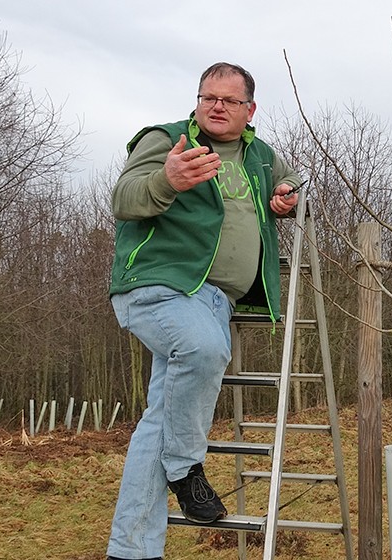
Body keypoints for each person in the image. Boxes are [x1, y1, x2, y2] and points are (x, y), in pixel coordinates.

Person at [105, 62, 301, 560]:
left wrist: (287, 200)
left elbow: (290, 185)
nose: (217, 106)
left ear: (249, 110)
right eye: (207, 97)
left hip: (217, 300)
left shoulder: (260, 156)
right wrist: (167, 180)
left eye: (229, 100)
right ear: (197, 102)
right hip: (160, 285)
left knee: (159, 418)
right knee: (206, 349)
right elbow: (123, 199)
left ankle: (130, 551)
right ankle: (186, 469)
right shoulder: (165, 139)